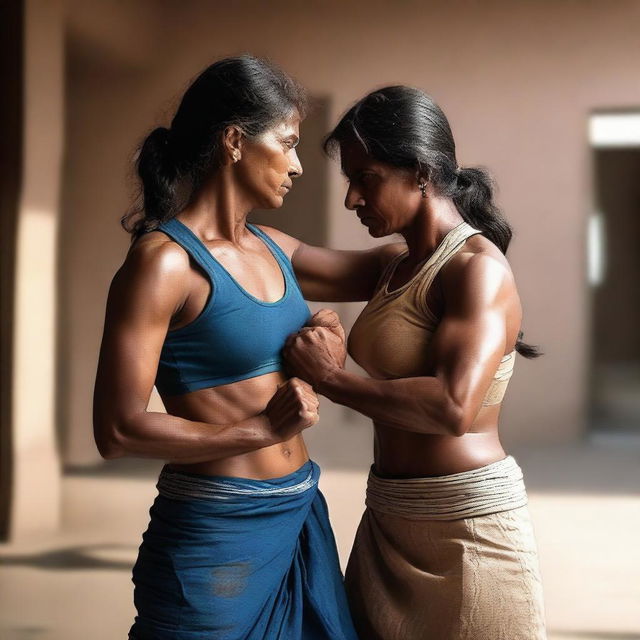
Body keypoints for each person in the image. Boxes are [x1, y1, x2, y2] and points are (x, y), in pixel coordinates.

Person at [92, 55, 358, 640]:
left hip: (297, 513)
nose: (296, 166)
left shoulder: (274, 248)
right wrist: (260, 432)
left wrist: (437, 196)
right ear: (235, 141)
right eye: (287, 144)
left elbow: (388, 268)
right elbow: (117, 430)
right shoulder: (165, 263)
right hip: (217, 533)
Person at [282, 86, 547, 640]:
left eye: (366, 178)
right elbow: (293, 262)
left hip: (467, 532)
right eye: (349, 181)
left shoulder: (475, 269)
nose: (352, 200)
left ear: (422, 172)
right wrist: (210, 218)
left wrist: (330, 379)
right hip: (388, 520)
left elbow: (453, 407)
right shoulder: (394, 265)